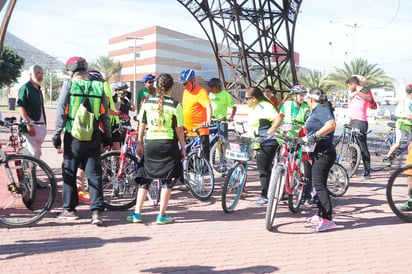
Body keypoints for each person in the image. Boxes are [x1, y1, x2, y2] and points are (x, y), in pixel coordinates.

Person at [52, 56, 112, 225]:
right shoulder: (98, 86)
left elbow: (61, 112)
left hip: (73, 136)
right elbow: (105, 115)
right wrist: (107, 135)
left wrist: (57, 135)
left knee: (69, 173)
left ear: (70, 72)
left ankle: (70, 210)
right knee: (94, 174)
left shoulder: (69, 85)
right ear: (86, 71)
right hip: (93, 135)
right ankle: (97, 213)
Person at [126, 73, 185, 224]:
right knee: (167, 180)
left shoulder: (147, 102)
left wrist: (139, 143)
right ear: (171, 87)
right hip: (168, 145)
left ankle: (137, 213)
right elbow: (179, 130)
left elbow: (142, 125)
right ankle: (162, 215)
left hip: (150, 143)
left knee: (145, 178)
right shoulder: (176, 105)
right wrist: (183, 147)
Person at [271, 84, 312, 204]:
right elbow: (280, 117)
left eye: (304, 95)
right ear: (294, 95)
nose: (302, 97)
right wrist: (273, 128)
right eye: (300, 95)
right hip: (286, 137)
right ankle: (281, 188)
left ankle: (307, 194)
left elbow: (308, 123)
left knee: (306, 164)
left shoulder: (306, 108)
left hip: (299, 139)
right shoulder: (287, 105)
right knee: (282, 160)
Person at [304, 87, 337, 232]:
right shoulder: (315, 111)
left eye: (306, 99)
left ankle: (328, 219)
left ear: (311, 99)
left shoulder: (322, 109)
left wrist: (315, 135)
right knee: (319, 184)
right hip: (318, 152)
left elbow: (331, 125)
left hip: (324, 153)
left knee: (319, 186)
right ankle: (320, 214)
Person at [244, 86, 279, 206]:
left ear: (254, 98)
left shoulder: (265, 105)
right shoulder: (253, 107)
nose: (245, 100)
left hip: (267, 142)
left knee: (263, 170)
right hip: (256, 141)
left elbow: (278, 118)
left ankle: (265, 196)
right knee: (262, 168)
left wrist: (272, 129)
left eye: (246, 98)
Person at [181, 68, 212, 160]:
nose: (184, 86)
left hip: (200, 131)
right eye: (183, 84)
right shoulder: (185, 92)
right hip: (188, 131)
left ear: (193, 81)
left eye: (186, 83)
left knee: (202, 159)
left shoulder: (201, 92)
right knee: (189, 161)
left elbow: (208, 106)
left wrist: (208, 120)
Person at [16, 64, 47, 158]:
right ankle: (27, 171)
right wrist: (28, 123)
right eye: (38, 73)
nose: (40, 75)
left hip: (39, 128)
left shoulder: (39, 89)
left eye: (42, 73)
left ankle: (30, 172)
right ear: (30, 74)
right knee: (32, 154)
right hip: (29, 128)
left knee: (37, 155)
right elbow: (20, 106)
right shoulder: (25, 88)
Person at [346, 75, 373, 179]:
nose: (349, 88)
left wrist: (357, 92)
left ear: (353, 85)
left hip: (361, 121)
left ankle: (367, 170)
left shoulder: (364, 90)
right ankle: (353, 168)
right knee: (352, 145)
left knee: (362, 146)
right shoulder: (352, 93)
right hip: (352, 120)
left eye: (349, 86)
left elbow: (369, 99)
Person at [383, 84, 412, 166]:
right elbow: (398, 113)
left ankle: (409, 162)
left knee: (411, 145)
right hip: (402, 125)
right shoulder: (403, 101)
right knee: (398, 143)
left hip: (410, 126)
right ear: (409, 93)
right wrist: (407, 116)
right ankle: (387, 157)